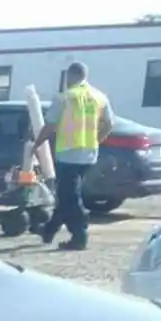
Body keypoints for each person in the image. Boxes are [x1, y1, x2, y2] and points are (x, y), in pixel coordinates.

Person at [32, 61, 112, 250]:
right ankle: (49, 230)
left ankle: (79, 236)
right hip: (89, 154)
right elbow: (109, 124)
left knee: (71, 197)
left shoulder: (65, 98)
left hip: (68, 154)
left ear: (71, 76)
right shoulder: (99, 97)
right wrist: (97, 140)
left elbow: (50, 125)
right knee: (66, 194)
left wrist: (37, 144)